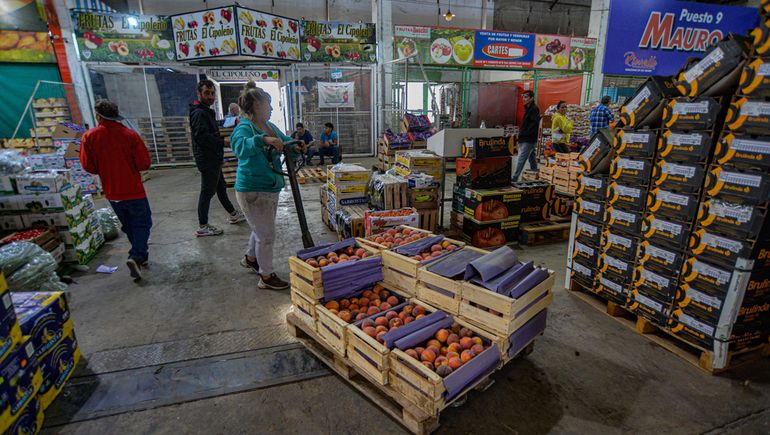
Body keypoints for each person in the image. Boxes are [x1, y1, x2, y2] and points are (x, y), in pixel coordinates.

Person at [230, 81, 305, 290]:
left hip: (270, 187)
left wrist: (296, 146)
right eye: (268, 105)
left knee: (260, 228)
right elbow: (239, 148)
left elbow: (284, 142)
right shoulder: (244, 128)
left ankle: (251, 258)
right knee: (266, 235)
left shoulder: (270, 127)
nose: (271, 109)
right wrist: (263, 141)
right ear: (256, 106)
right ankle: (266, 275)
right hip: (252, 190)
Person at [80, 99, 152, 282]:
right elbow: (144, 163)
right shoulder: (130, 136)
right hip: (134, 191)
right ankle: (136, 255)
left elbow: (88, 166)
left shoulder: (89, 137)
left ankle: (140, 254)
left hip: (112, 192)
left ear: (98, 116)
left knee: (129, 225)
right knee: (143, 223)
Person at [190, 79, 245, 237]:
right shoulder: (200, 113)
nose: (210, 96)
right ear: (199, 94)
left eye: (212, 93)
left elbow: (210, 131)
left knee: (220, 187)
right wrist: (223, 142)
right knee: (207, 192)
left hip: (212, 157)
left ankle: (233, 213)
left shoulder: (205, 111)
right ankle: (203, 225)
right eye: (206, 93)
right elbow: (202, 137)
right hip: (207, 159)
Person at [512, 90, 540, 182]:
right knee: (532, 158)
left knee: (521, 158)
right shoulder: (527, 108)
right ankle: (535, 174)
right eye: (523, 97)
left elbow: (533, 125)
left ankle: (515, 177)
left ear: (531, 98)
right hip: (526, 137)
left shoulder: (534, 109)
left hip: (529, 138)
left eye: (526, 97)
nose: (523, 99)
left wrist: (524, 136)